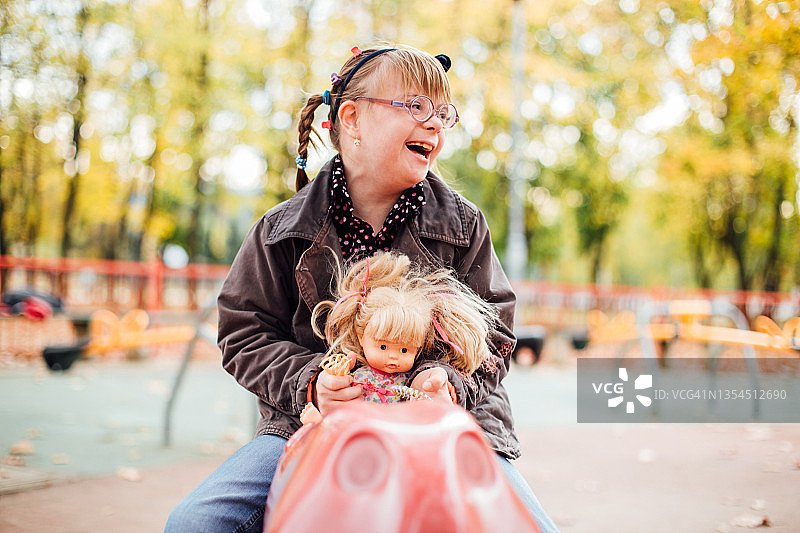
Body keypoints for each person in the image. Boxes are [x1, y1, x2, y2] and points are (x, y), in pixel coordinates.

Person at [165, 44, 559, 533]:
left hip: (449, 427)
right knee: (196, 523)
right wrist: (313, 382)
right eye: (415, 106)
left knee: (526, 525)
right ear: (351, 119)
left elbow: (495, 333)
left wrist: (448, 383)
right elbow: (244, 331)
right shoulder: (282, 230)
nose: (434, 123)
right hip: (309, 425)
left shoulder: (463, 226)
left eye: (443, 113)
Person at [299, 249, 498, 421]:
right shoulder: (358, 379)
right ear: (361, 337)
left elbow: (500, 338)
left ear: (419, 348)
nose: (393, 357)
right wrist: (327, 381)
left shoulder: (407, 383)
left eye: (404, 350)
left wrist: (439, 387)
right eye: (383, 347)